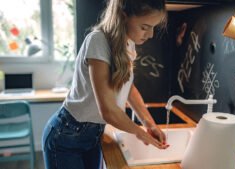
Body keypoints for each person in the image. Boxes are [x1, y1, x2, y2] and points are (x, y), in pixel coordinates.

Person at [42, 0, 168, 169]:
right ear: (123, 17)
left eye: (154, 27)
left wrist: (149, 124)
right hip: (67, 134)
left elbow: (127, 87)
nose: (151, 34)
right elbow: (108, 110)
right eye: (145, 27)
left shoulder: (128, 44)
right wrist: (140, 133)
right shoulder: (98, 41)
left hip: (93, 133)